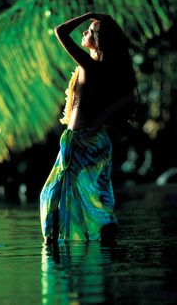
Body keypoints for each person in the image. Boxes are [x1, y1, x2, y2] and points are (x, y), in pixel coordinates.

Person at [40, 12, 139, 244]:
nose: (85, 32)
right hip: (96, 140)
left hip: (83, 141)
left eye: (91, 31)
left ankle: (57, 249)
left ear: (100, 41)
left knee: (53, 196)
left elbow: (60, 31)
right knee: (94, 200)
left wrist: (90, 15)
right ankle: (102, 246)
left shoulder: (90, 66)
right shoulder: (107, 70)